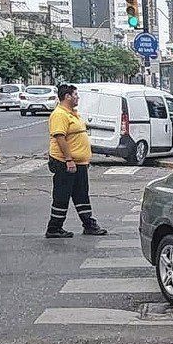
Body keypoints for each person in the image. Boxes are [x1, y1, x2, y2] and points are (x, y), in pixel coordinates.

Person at [46, 84, 107, 239]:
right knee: (62, 195)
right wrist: (69, 159)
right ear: (67, 96)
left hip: (78, 163)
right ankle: (54, 228)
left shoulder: (73, 114)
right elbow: (60, 137)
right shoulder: (59, 114)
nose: (78, 97)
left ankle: (88, 224)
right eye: (75, 95)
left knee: (81, 195)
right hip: (64, 162)